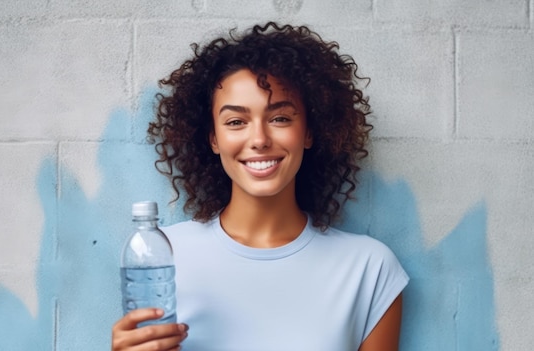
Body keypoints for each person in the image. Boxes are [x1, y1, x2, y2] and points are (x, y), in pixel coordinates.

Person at [112, 22, 409, 351]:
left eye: (280, 118)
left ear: (310, 131)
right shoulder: (162, 258)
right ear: (213, 138)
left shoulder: (369, 268)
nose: (259, 140)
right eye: (236, 122)